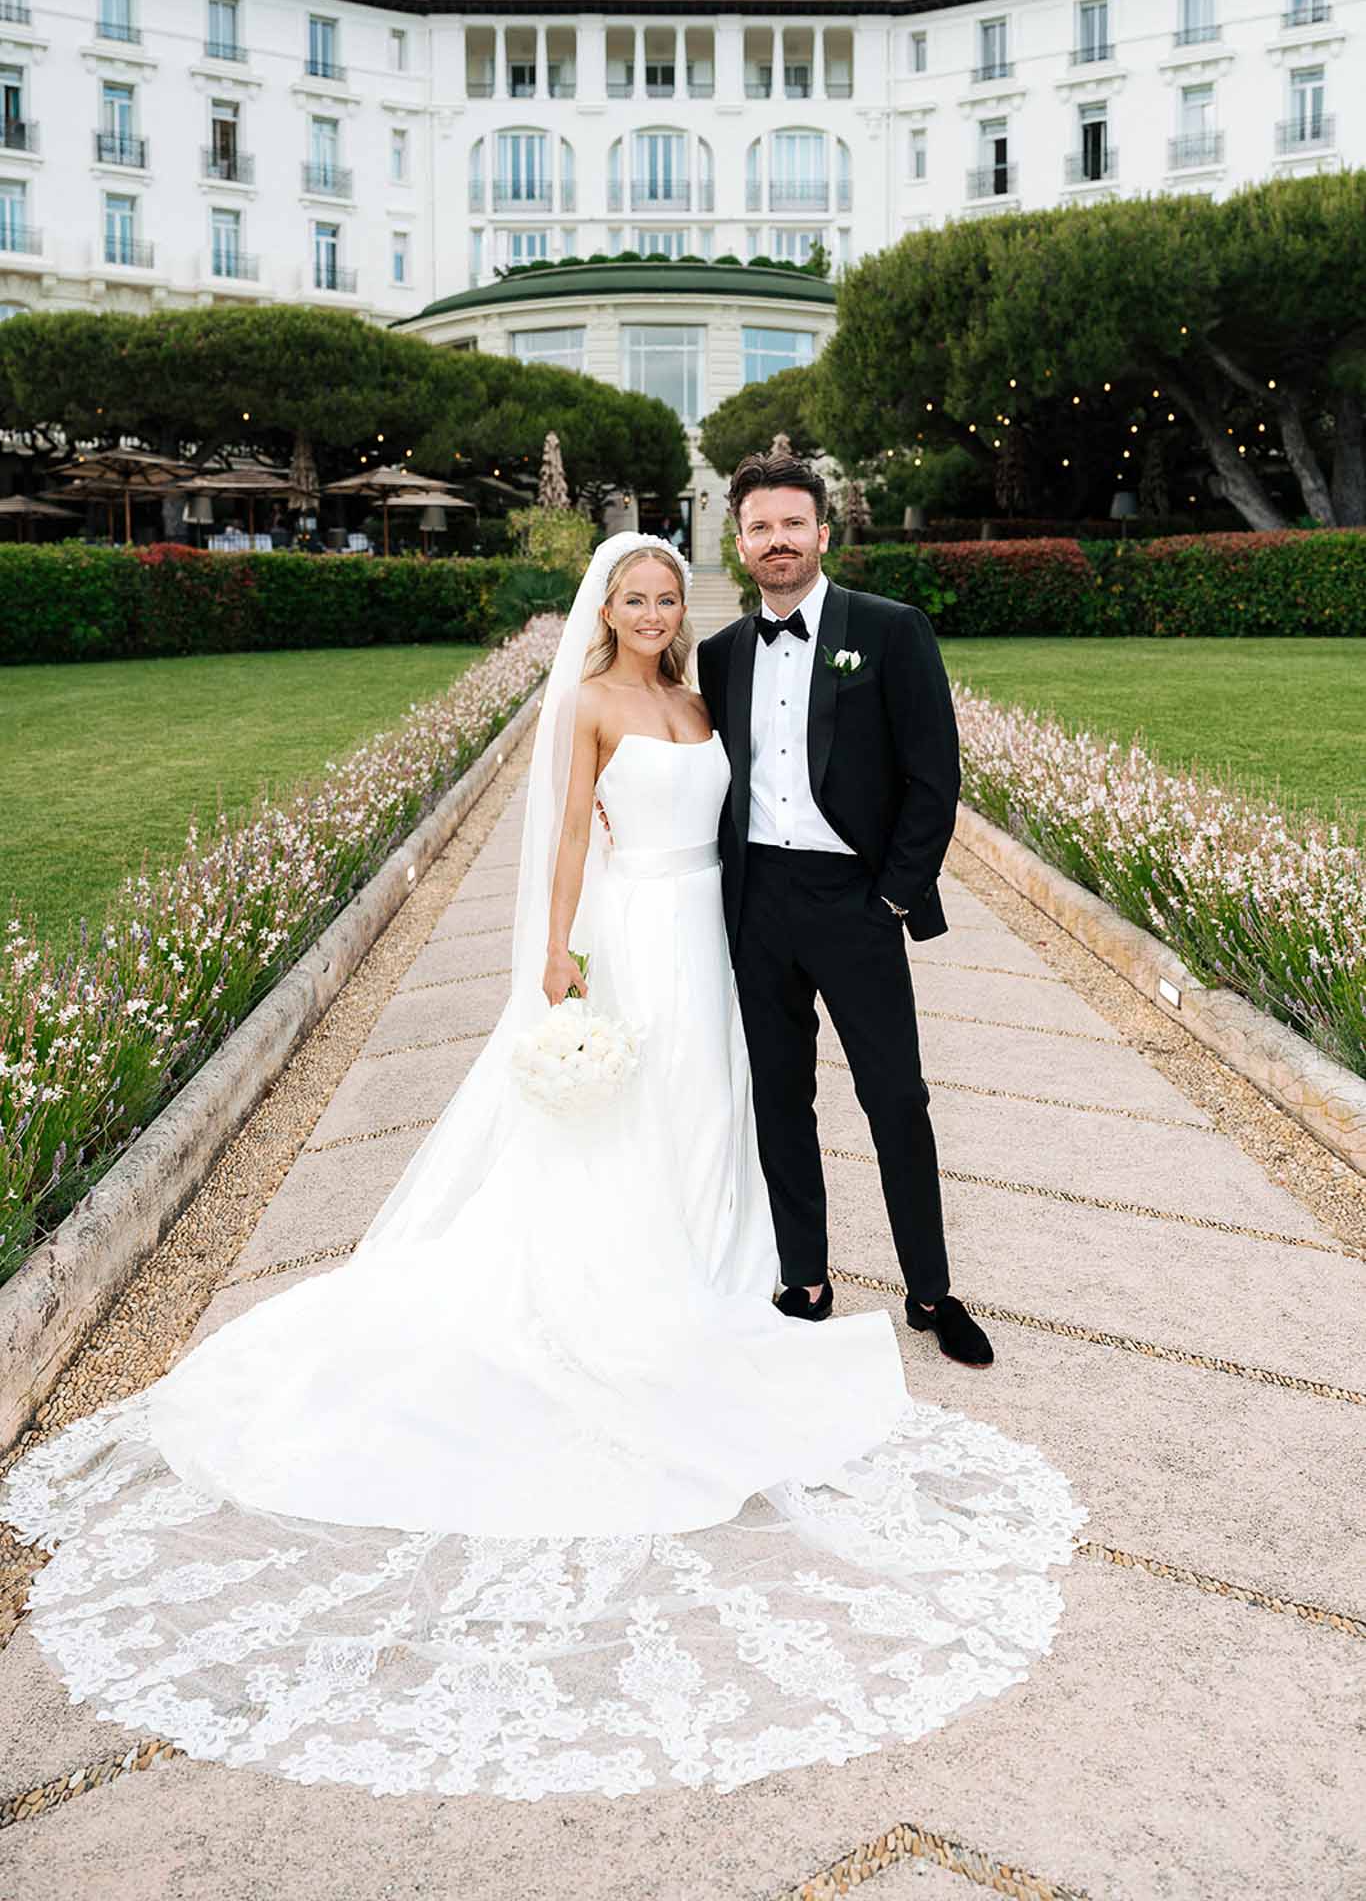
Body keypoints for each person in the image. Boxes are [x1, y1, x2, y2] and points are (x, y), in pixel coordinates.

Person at [0, 530, 1084, 1805]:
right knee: (654, 1111)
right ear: (606, 606)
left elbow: (888, 770)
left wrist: (891, 894)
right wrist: (558, 953)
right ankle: (688, 1279)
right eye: (631, 594)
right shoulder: (592, 698)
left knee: (754, 1101)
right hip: (636, 924)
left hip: (725, 926)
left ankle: (862, 1279)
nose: (649, 607)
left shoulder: (706, 683)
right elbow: (568, 833)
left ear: (696, 599)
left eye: (665, 593)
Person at [697, 449, 993, 1367]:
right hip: (757, 907)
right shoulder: (718, 656)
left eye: (792, 524)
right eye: (759, 527)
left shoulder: (889, 629)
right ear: (739, 542)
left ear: (823, 533)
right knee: (781, 1097)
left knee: (896, 1098)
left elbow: (932, 777)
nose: (776, 540)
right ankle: (804, 1277)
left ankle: (932, 1291)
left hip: (857, 902)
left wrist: (895, 897)